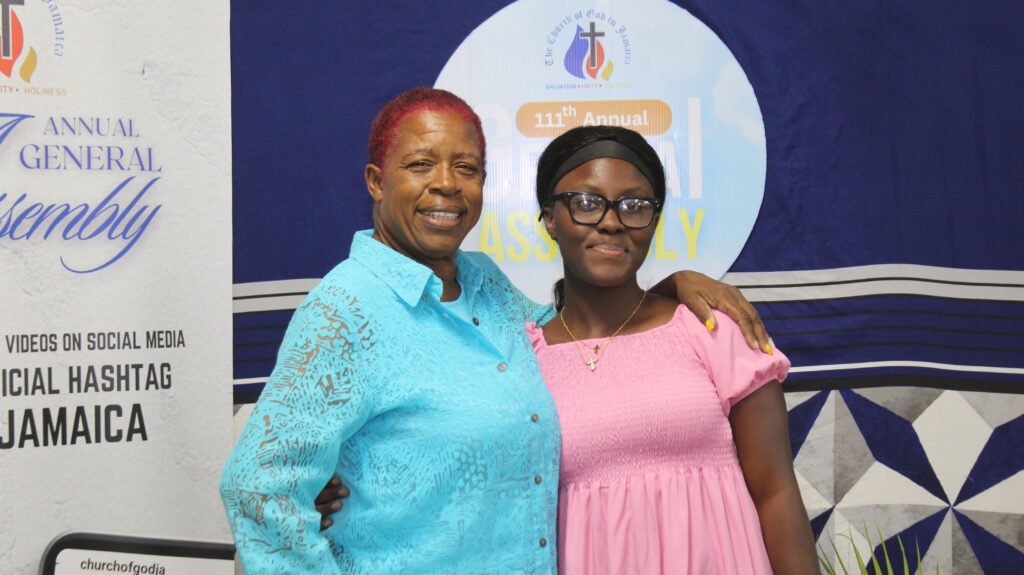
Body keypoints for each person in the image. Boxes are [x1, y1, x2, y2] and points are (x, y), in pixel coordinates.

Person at [221, 87, 772, 574]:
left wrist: (669, 288)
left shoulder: (484, 284)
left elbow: (577, 326)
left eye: (465, 167)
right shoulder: (346, 311)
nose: (446, 184)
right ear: (376, 182)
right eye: (420, 164)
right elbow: (256, 486)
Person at [530, 125, 818, 574]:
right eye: (586, 202)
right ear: (550, 218)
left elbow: (776, 493)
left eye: (634, 205)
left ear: (654, 220)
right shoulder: (524, 359)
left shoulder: (712, 328)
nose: (612, 221)